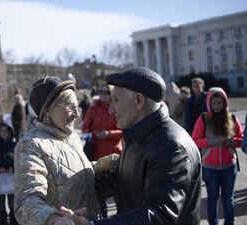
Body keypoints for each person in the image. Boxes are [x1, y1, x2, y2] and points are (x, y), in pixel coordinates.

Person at [62, 67, 202, 225]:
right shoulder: (137, 134)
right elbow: (121, 179)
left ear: (139, 101)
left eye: (116, 100)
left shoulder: (171, 146)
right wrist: (67, 194)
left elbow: (159, 215)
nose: (111, 109)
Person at [14, 76, 117, 225]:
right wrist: (53, 220)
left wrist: (105, 165)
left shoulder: (72, 137)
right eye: (69, 106)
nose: (76, 114)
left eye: (78, 107)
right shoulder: (31, 145)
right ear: (47, 110)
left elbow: (69, 173)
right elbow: (27, 200)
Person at [192, 87, 243, 225]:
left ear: (225, 102)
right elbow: (195, 140)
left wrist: (232, 141)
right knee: (212, 198)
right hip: (210, 168)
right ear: (209, 103)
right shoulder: (203, 119)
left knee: (228, 199)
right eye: (213, 103)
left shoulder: (232, 118)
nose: (216, 106)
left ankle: (229, 222)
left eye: (219, 103)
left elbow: (242, 140)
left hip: (229, 167)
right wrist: (212, 142)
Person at [81, 83, 122, 218]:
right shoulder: (93, 109)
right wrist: (95, 134)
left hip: (115, 155)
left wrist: (109, 134)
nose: (103, 95)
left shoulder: (118, 107)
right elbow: (85, 128)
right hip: (98, 156)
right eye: (101, 92)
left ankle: (120, 218)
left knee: (119, 192)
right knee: (100, 193)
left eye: (107, 92)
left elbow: (125, 128)